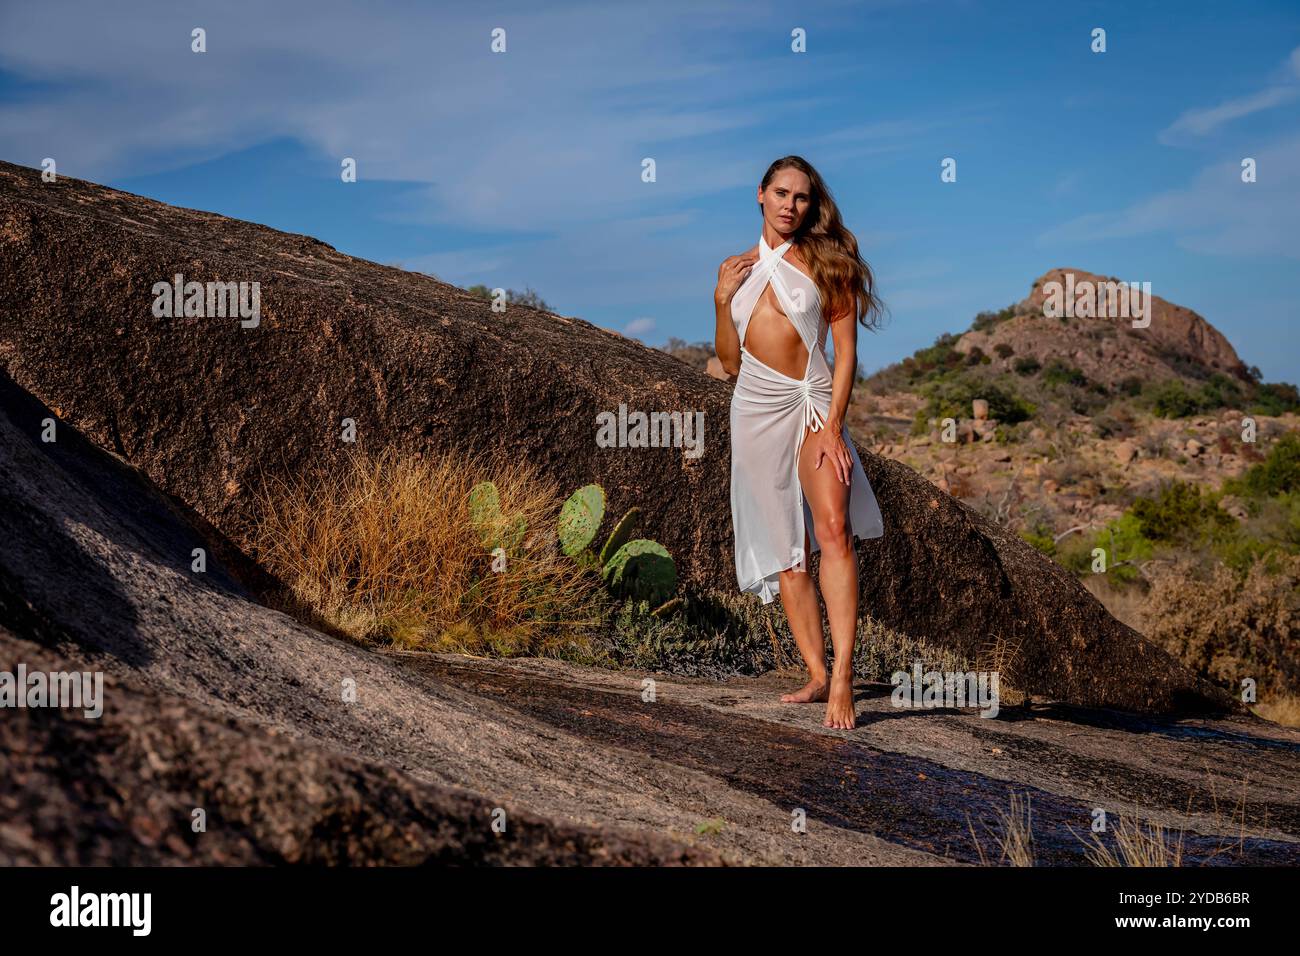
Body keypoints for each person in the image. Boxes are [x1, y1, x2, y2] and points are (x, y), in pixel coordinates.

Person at [713, 155, 885, 730]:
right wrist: (720, 300)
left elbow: (845, 355)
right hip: (755, 409)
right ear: (760, 194)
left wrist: (834, 424)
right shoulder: (735, 270)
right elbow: (731, 362)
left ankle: (842, 678)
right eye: (781, 193)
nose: (791, 205)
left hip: (812, 403)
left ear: (812, 205)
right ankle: (815, 672)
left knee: (833, 530)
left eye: (802, 197)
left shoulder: (826, 262)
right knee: (787, 551)